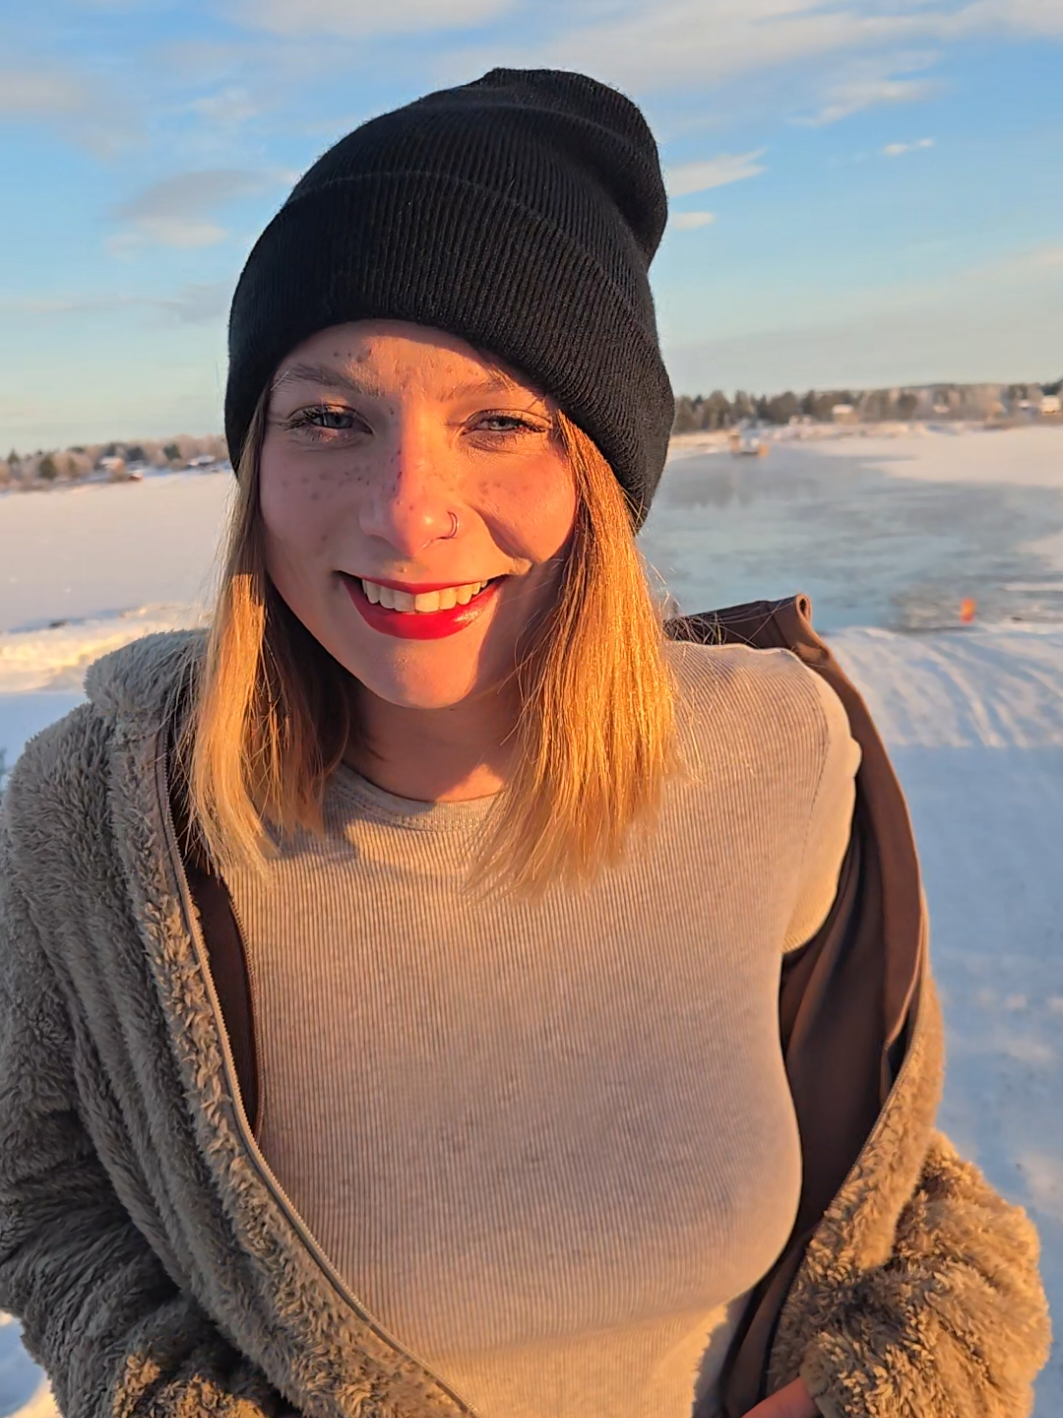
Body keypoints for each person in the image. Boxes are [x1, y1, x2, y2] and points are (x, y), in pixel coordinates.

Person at [0, 69, 1050, 1418]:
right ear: (255, 461)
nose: (404, 513)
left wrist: (894, 1391)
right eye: (330, 417)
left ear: (600, 477)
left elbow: (895, 1182)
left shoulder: (778, 754)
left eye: (497, 422)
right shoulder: (102, 822)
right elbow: (44, 1195)